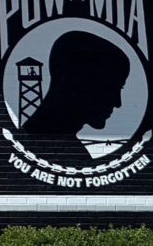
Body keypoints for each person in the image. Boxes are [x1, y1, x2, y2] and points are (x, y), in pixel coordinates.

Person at [20, 31, 131, 166]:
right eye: (111, 88)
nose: (117, 103)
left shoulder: (30, 147)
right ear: (78, 82)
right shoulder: (62, 155)